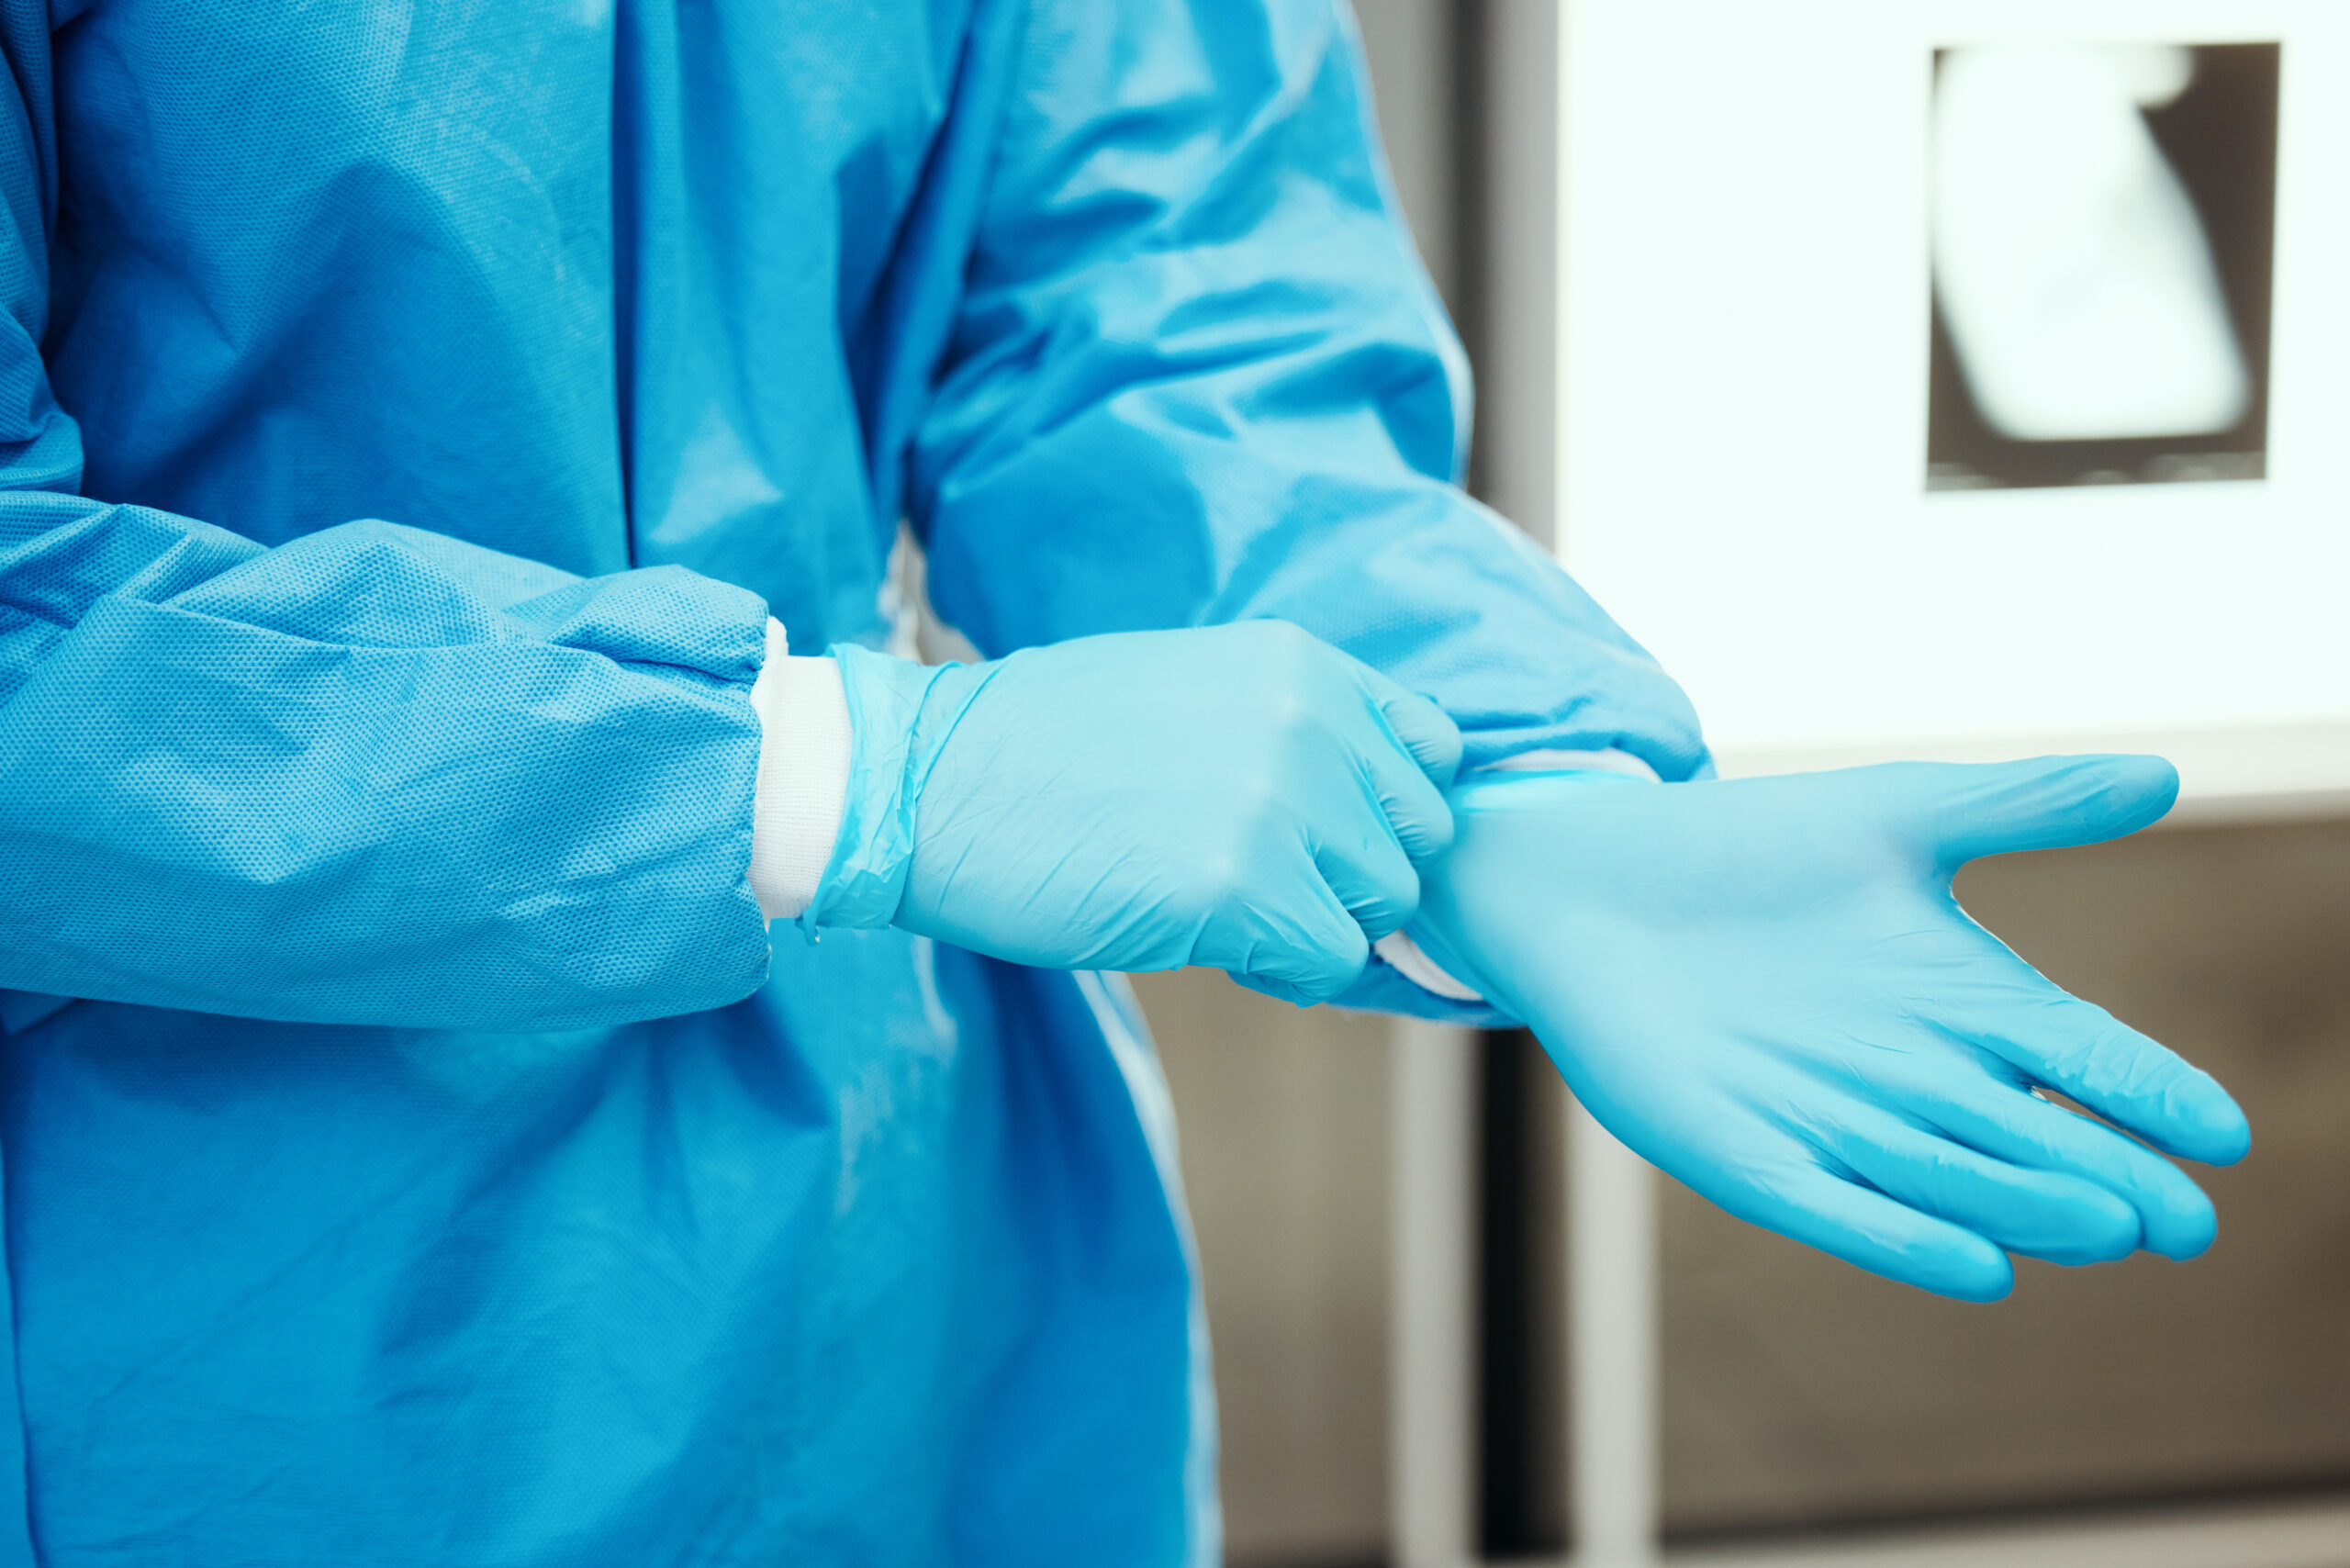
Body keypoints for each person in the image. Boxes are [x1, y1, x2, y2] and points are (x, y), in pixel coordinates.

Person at [0, 2, 2246, 1562]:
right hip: (181, 1299)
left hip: (888, 1227)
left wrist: (1507, 774)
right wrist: (802, 766)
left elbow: (1164, 315)